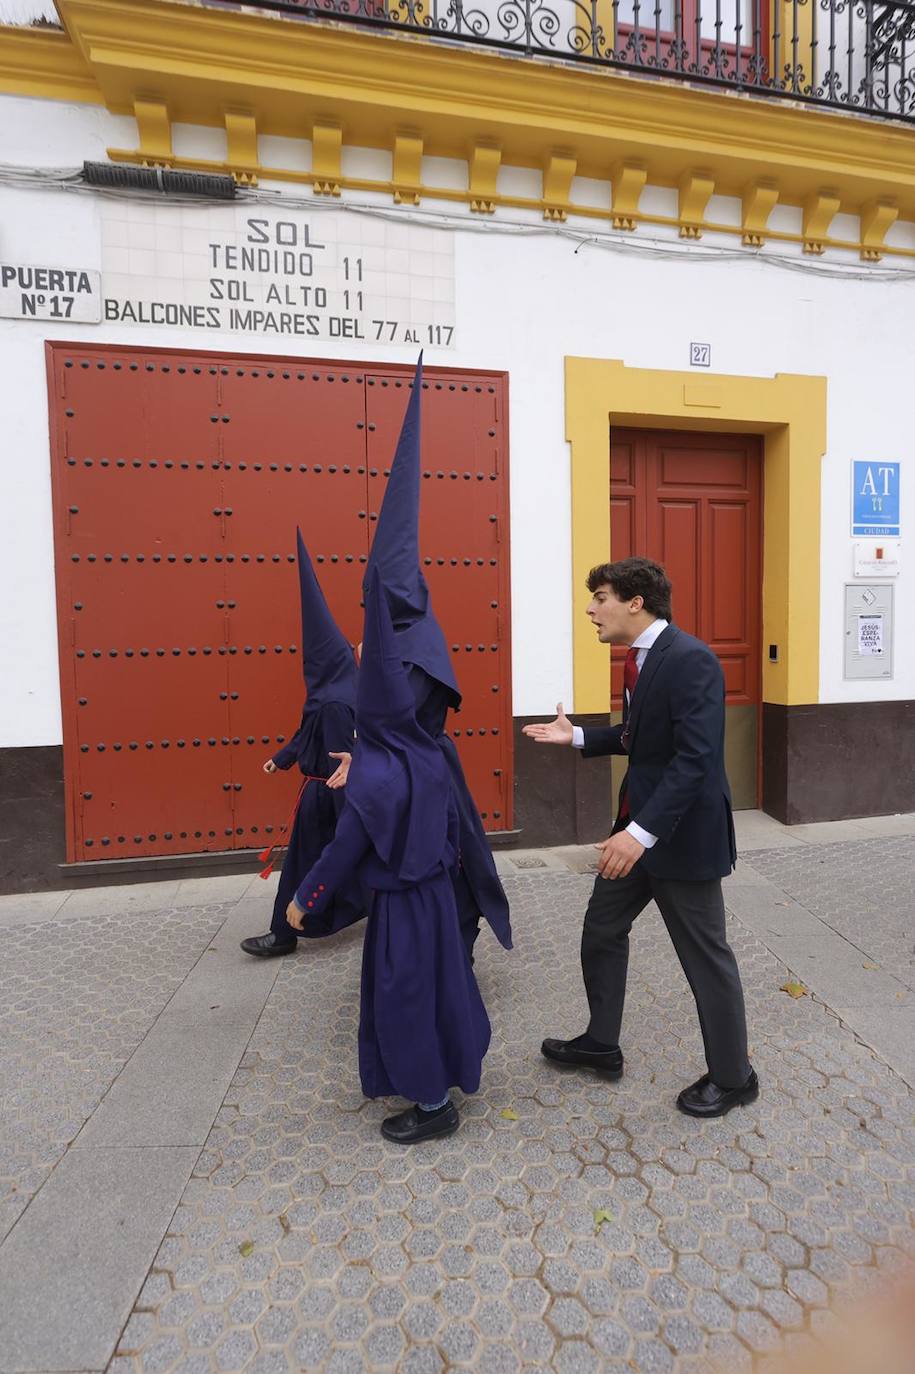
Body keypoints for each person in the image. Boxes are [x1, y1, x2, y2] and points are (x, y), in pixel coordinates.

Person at [523, 556, 757, 1118]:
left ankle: (733, 1077)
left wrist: (641, 834)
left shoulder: (692, 659)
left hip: (677, 837)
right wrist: (578, 735)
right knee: (602, 931)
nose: (590, 609)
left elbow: (697, 759)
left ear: (635, 602)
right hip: (636, 831)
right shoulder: (640, 660)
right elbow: (640, 738)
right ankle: (602, 1043)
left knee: (706, 957)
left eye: (600, 597)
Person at [287, 567, 492, 1143]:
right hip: (435, 899)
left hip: (400, 907)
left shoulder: (375, 773)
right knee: (441, 987)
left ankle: (433, 1107)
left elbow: (345, 846)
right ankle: (454, 1070)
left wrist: (306, 898)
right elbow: (452, 831)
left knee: (402, 999)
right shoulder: (430, 756)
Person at [359, 353, 512, 962]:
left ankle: (454, 955)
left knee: (446, 862)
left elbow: (399, 716)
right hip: (396, 772)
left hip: (423, 774)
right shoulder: (396, 636)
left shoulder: (418, 641)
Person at [240, 530, 364, 957]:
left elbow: (336, 758)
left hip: (327, 796)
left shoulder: (334, 703)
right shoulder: (327, 696)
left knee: (304, 864)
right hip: (322, 791)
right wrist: (282, 758)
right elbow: (304, 734)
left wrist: (340, 806)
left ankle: (283, 933)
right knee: (331, 860)